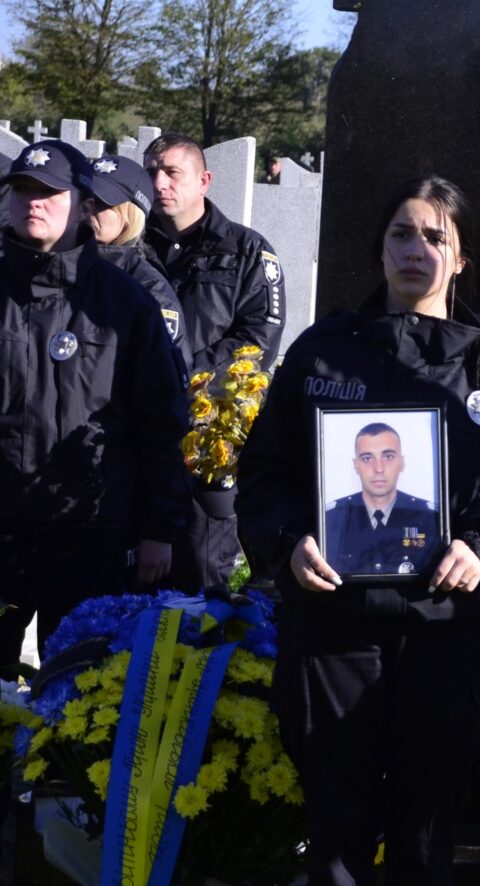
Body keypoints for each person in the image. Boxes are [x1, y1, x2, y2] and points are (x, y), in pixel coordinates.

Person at [237, 174, 480, 886]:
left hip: (447, 632)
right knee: (339, 835)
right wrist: (288, 543)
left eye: (431, 236)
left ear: (459, 256)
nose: (413, 250)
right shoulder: (325, 353)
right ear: (378, 247)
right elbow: (265, 476)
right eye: (398, 233)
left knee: (425, 837)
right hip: (336, 629)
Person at [0, 139, 189, 664]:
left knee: (78, 693)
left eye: (48, 191)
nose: (32, 202)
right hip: (5, 526)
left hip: (92, 532)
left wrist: (158, 528)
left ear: (83, 205)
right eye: (21, 189)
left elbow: (161, 421)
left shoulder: (124, 300)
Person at [144, 131, 285, 592]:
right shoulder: (131, 245)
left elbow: (257, 339)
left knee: (202, 581)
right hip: (138, 434)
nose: (160, 182)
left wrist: (182, 375)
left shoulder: (246, 252)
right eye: (151, 173)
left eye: (172, 172)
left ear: (203, 180)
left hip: (206, 443)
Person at [84, 153, 189, 373]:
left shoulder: (151, 290)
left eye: (103, 202)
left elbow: (167, 379)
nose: (89, 209)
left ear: (130, 216)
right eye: (84, 197)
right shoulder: (51, 265)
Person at [323, 422, 442, 576]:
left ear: (402, 462)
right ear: (355, 465)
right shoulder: (332, 517)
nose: (378, 468)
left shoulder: (429, 517)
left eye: (388, 457)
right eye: (367, 458)